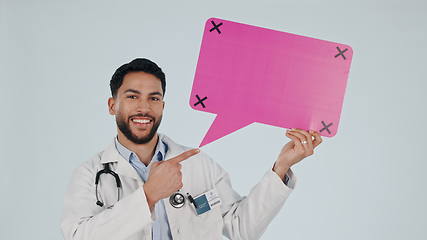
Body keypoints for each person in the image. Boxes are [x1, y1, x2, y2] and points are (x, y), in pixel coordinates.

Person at [61, 58, 323, 240]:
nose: (144, 108)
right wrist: (148, 196)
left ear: (163, 106)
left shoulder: (198, 164)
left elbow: (241, 228)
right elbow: (79, 236)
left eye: (154, 98)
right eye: (132, 97)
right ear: (112, 105)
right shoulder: (90, 174)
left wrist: (282, 167)